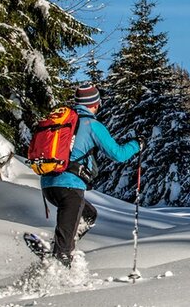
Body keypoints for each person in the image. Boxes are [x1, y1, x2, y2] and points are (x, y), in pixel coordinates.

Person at [40, 83, 140, 266]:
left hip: (49, 184)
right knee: (66, 244)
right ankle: (59, 265)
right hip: (70, 186)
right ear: (95, 103)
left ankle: (59, 247)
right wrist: (136, 145)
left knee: (89, 215)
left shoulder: (63, 121)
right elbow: (118, 154)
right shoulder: (92, 125)